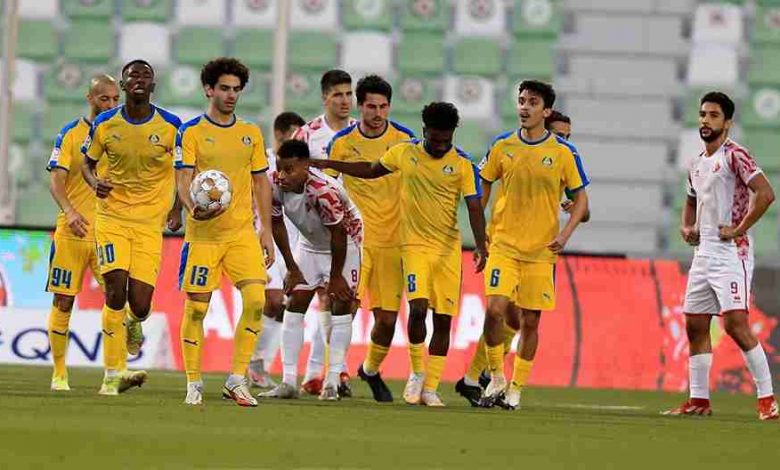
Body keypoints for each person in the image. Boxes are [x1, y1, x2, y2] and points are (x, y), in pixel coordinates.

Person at [311, 102, 487, 407]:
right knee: (417, 309)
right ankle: (417, 374)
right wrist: (332, 165)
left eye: (446, 140)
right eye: (435, 139)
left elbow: (474, 206)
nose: (440, 145)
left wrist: (482, 245)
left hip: (447, 250)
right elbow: (369, 169)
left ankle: (430, 388)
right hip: (413, 246)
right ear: (424, 132)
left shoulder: (462, 164)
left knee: (443, 320)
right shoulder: (406, 153)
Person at [455, 109, 588, 405]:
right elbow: (484, 183)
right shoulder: (510, 147)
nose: (564, 140)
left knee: (519, 320)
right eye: (560, 134)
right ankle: (485, 376)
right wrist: (482, 234)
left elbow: (584, 208)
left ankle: (478, 379)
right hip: (506, 244)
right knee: (500, 312)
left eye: (568, 136)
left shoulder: (564, 156)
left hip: (540, 250)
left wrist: (568, 211)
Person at [663, 92, 778, 420]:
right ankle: (699, 400)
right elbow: (690, 199)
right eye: (702, 114)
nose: (705, 121)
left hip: (731, 254)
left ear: (727, 123)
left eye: (713, 115)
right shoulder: (697, 162)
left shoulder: (736, 155)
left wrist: (740, 227)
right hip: (704, 254)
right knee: (695, 325)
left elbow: (766, 194)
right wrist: (688, 226)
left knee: (736, 326)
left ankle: (767, 400)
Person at [174, 58, 275, 407]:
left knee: (257, 300)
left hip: (241, 234)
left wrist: (266, 232)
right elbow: (183, 178)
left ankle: (236, 378)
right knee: (197, 310)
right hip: (203, 236)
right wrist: (191, 207)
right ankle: (193, 382)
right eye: (225, 89)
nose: (231, 95)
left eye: (236, 89)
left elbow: (262, 183)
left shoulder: (251, 133)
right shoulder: (191, 132)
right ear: (209, 90)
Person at [81, 60, 182, 395]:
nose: (139, 79)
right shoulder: (106, 123)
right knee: (114, 290)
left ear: (153, 86)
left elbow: (184, 170)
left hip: (149, 225)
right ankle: (112, 375)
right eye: (133, 75)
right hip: (111, 218)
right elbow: (88, 162)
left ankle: (134, 322)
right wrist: (95, 182)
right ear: (123, 85)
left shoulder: (171, 125)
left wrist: (178, 208)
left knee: (139, 303)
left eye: (146, 75)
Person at [46, 74, 145, 393]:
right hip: (72, 233)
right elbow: (57, 181)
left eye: (116, 99)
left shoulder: (121, 132)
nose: (112, 105)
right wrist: (70, 211)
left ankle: (114, 374)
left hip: (108, 232)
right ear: (91, 99)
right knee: (63, 302)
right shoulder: (71, 134)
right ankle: (60, 375)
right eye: (105, 99)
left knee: (120, 300)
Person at [326, 75, 416, 402]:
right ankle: (334, 375)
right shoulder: (342, 142)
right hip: (356, 242)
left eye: (383, 106)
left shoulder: (405, 141)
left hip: (394, 241)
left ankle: (370, 369)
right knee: (344, 308)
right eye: (371, 106)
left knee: (388, 321)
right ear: (360, 107)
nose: (378, 113)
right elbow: (328, 190)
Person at [259, 140, 363, 401]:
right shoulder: (275, 183)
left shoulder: (322, 191)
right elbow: (276, 222)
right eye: (280, 169)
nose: (282, 176)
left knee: (340, 307)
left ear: (305, 167)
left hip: (345, 244)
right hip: (309, 244)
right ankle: (289, 382)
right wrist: (292, 268)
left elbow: (339, 233)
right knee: (295, 303)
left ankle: (331, 382)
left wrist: (336, 276)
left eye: (290, 170)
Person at [293, 69, 357, 397]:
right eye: (338, 95)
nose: (345, 101)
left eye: (348, 94)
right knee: (323, 298)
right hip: (318, 231)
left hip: (353, 228)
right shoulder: (308, 134)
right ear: (324, 98)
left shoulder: (361, 133)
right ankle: (320, 372)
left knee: (346, 301)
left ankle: (333, 370)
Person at [248, 111, 306, 389]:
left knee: (285, 307)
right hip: (266, 239)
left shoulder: (302, 165)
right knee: (269, 301)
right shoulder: (264, 161)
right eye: (294, 134)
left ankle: (259, 363)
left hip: (294, 244)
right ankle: (251, 362)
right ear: (280, 134)